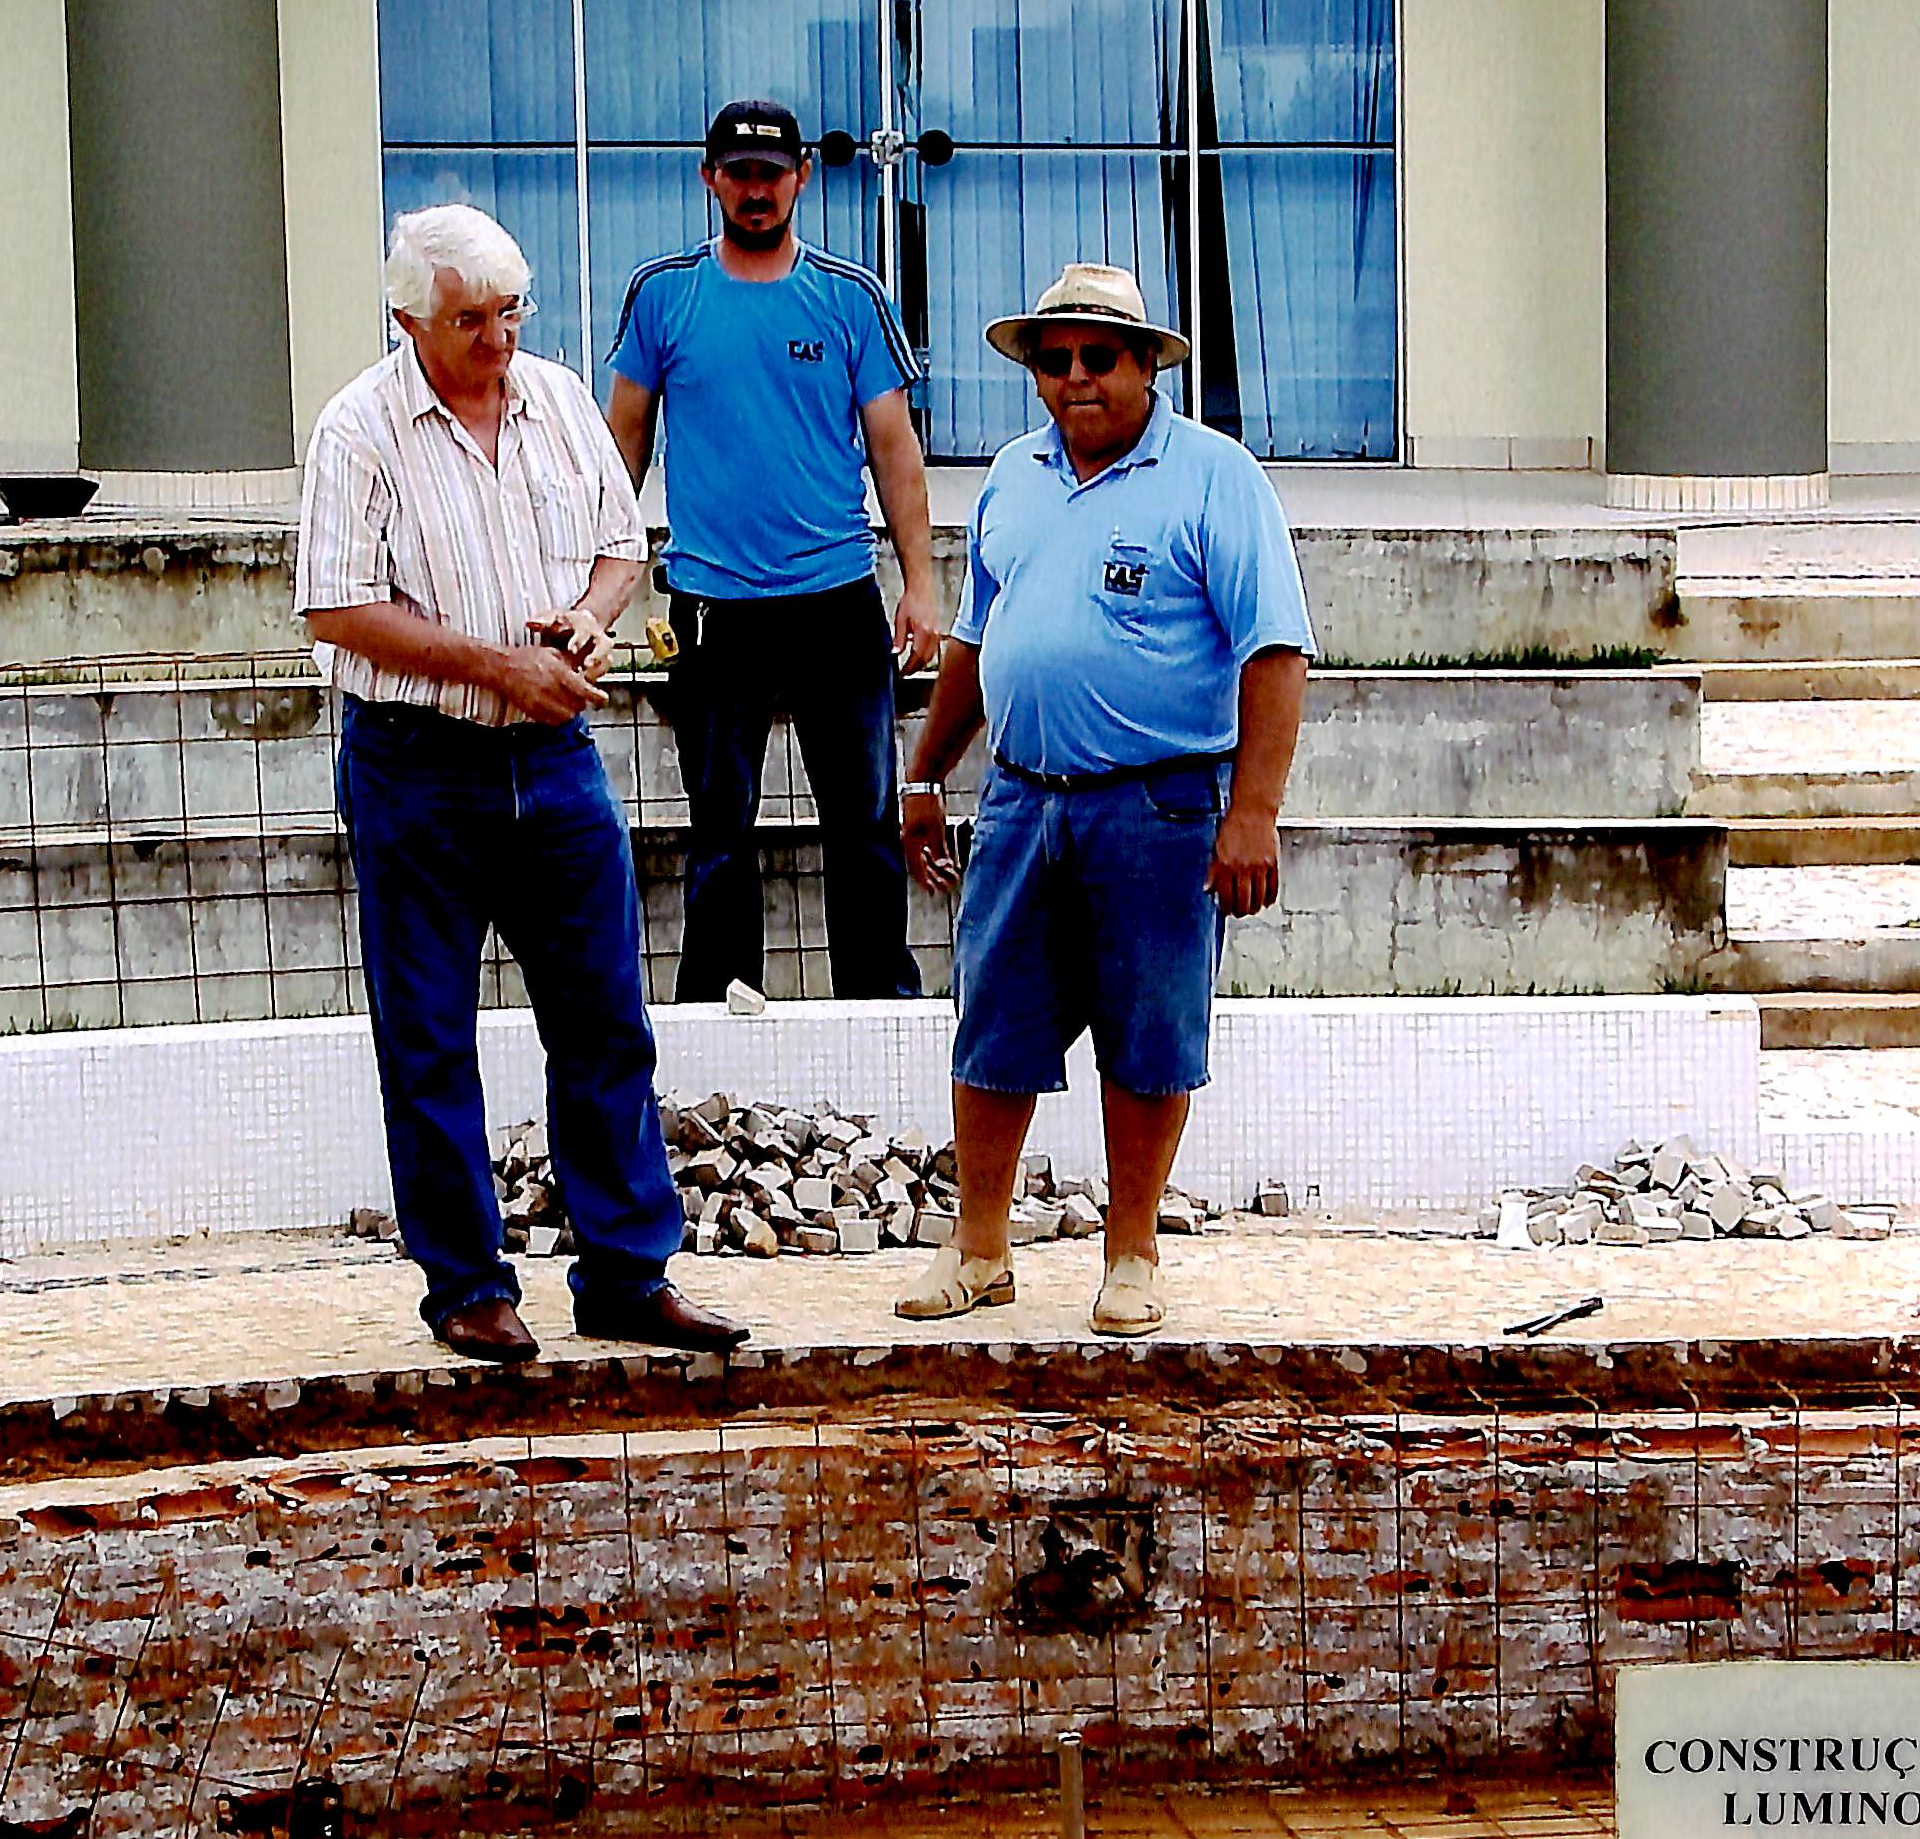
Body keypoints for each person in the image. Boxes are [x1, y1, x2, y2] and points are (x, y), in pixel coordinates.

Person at [300, 204, 752, 1366]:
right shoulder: (358, 430)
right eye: (471, 321)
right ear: (409, 321)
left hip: (553, 756)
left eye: (510, 312)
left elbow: (619, 545)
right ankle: (464, 1284)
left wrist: (589, 622)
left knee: (604, 1019)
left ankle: (627, 1272)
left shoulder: (555, 400)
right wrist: (496, 665)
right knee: (427, 1034)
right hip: (417, 759)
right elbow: (336, 606)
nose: (498, 339)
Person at [887, 264, 1314, 1339]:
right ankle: (979, 1248)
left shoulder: (1215, 477)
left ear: (1145, 367)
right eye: (1054, 359)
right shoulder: (1012, 476)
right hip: (1021, 800)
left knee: (1147, 1035)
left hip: (1158, 805)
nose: (1075, 376)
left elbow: (1274, 651)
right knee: (992, 1027)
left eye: (1099, 356)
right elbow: (977, 639)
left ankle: (1131, 1254)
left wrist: (1253, 812)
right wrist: (923, 773)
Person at [605, 98, 943, 1004]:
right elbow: (620, 447)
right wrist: (597, 582)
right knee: (720, 828)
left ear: (801, 178)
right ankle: (719, 1012)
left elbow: (895, 450)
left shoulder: (850, 297)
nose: (756, 190)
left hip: (836, 598)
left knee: (863, 821)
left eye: (771, 173)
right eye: (739, 173)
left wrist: (919, 585)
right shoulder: (664, 295)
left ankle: (877, 1009)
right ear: (710, 179)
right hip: (713, 605)